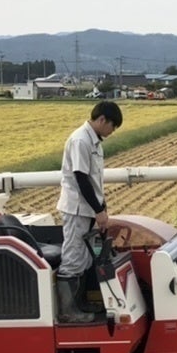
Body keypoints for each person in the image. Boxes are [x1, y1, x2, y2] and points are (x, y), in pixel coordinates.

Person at [55, 100, 122, 323]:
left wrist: (102, 208)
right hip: (76, 209)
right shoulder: (80, 140)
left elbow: (95, 182)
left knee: (83, 258)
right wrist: (98, 210)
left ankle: (79, 304)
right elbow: (81, 179)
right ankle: (67, 311)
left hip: (88, 209)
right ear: (102, 119)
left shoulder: (95, 142)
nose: (112, 132)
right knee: (73, 257)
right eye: (113, 126)